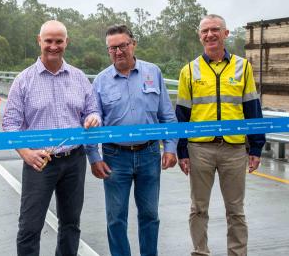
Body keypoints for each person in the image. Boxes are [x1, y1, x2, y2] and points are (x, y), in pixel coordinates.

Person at [2, 20, 101, 256]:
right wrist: (26, 153)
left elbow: (92, 109)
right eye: (48, 41)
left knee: (70, 224)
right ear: (39, 41)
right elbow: (10, 124)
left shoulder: (78, 77)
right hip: (39, 161)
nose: (53, 46)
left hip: (74, 160)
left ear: (66, 42)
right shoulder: (23, 80)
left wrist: (93, 118)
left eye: (59, 41)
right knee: (30, 226)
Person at [176, 14, 265, 256]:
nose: (210, 34)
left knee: (235, 210)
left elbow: (252, 108)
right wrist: (181, 151)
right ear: (199, 36)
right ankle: (200, 252)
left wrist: (256, 147)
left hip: (234, 149)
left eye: (215, 29)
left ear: (225, 34)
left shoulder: (242, 66)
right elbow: (182, 114)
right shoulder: (189, 70)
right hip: (199, 149)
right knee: (198, 209)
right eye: (205, 31)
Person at [90, 24, 177, 256]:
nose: (118, 51)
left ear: (133, 44)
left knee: (150, 215)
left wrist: (170, 147)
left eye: (123, 46)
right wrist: (94, 157)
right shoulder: (100, 81)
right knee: (116, 218)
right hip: (115, 157)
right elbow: (91, 121)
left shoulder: (153, 73)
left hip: (149, 154)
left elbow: (167, 115)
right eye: (112, 48)